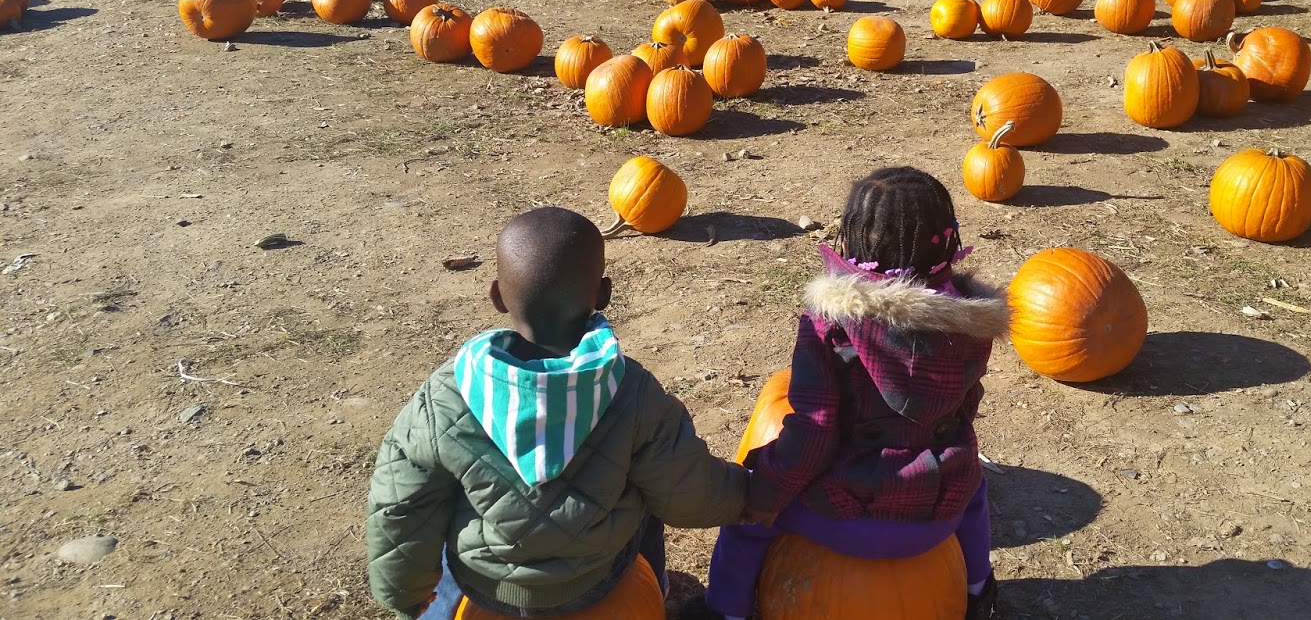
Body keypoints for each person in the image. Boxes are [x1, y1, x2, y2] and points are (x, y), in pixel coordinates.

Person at [366, 207, 748, 619]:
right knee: (650, 495)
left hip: (488, 587)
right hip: (594, 582)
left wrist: (405, 595)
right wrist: (747, 493)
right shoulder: (631, 389)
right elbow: (687, 490)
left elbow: (401, 504)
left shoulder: (446, 392)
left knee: (436, 512)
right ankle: (657, 585)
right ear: (602, 294)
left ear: (496, 296)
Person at [697, 167, 1006, 620]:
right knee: (972, 485)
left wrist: (763, 492)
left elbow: (814, 432)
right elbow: (966, 408)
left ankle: (724, 612)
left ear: (851, 239)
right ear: (949, 239)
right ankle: (979, 589)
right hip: (939, 516)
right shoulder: (972, 325)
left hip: (845, 514)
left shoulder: (831, 327)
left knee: (748, 525)